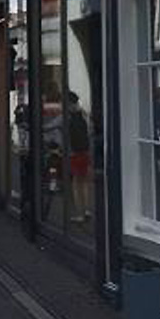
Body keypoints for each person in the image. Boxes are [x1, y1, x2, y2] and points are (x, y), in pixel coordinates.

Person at [65, 91, 93, 225]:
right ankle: (87, 209)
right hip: (85, 151)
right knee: (85, 182)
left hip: (74, 152)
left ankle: (80, 214)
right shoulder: (84, 114)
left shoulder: (67, 116)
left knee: (76, 183)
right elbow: (90, 131)